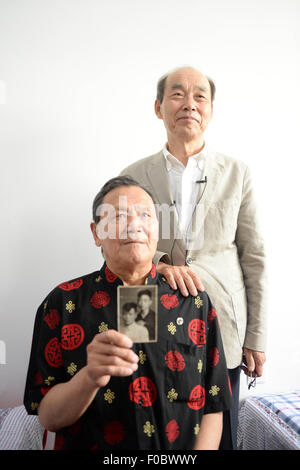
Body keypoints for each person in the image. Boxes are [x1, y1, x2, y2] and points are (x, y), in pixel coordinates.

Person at [24, 175, 232, 450]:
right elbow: (48, 417)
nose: (134, 225)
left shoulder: (192, 301)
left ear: (157, 229)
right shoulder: (62, 304)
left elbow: (213, 405)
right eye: (119, 216)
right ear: (96, 233)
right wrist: (90, 377)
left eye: (145, 215)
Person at [120, 66, 268, 449]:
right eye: (177, 94)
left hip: (222, 321)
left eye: (200, 96)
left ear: (211, 110)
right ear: (158, 107)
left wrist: (257, 337)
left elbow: (254, 257)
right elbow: (117, 242)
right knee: (146, 428)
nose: (189, 104)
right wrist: (161, 261)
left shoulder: (239, 174)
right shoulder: (132, 176)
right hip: (146, 313)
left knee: (221, 436)